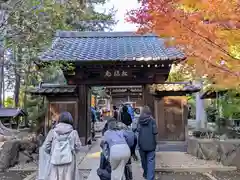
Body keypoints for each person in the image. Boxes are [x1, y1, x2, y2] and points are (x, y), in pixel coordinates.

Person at [43, 112, 82, 180]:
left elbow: (46, 147)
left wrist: (53, 153)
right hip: (70, 162)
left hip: (55, 162)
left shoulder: (52, 132)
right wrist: (72, 151)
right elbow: (78, 147)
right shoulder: (74, 133)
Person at [137, 106, 158, 180]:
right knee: (151, 162)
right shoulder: (152, 120)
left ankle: (146, 174)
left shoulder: (139, 120)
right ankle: (150, 178)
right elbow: (155, 132)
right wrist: (156, 143)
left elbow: (137, 131)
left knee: (144, 161)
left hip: (141, 145)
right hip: (151, 144)